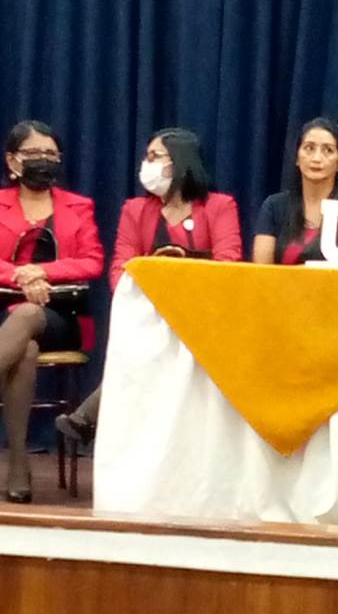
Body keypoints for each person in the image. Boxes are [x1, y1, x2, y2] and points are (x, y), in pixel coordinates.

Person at [55, 128, 242, 444]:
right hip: (149, 309)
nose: (147, 164)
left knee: (161, 340)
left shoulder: (219, 206)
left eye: (155, 157)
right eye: (147, 156)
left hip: (204, 313)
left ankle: (89, 414)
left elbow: (229, 262)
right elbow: (120, 267)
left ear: (179, 161)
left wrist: (183, 275)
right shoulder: (135, 210)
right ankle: (94, 417)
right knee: (155, 334)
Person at [0, 120, 104, 502]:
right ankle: (18, 464)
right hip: (5, 311)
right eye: (33, 153)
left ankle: (18, 464)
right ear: (12, 160)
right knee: (24, 350)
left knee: (28, 315)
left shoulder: (78, 205)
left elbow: (92, 261)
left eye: (50, 153)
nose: (43, 160)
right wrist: (21, 277)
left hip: (63, 317)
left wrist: (43, 272)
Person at [253, 117, 338, 265]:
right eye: (309, 148)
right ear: (297, 158)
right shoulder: (274, 206)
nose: (317, 158)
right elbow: (261, 272)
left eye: (328, 150)